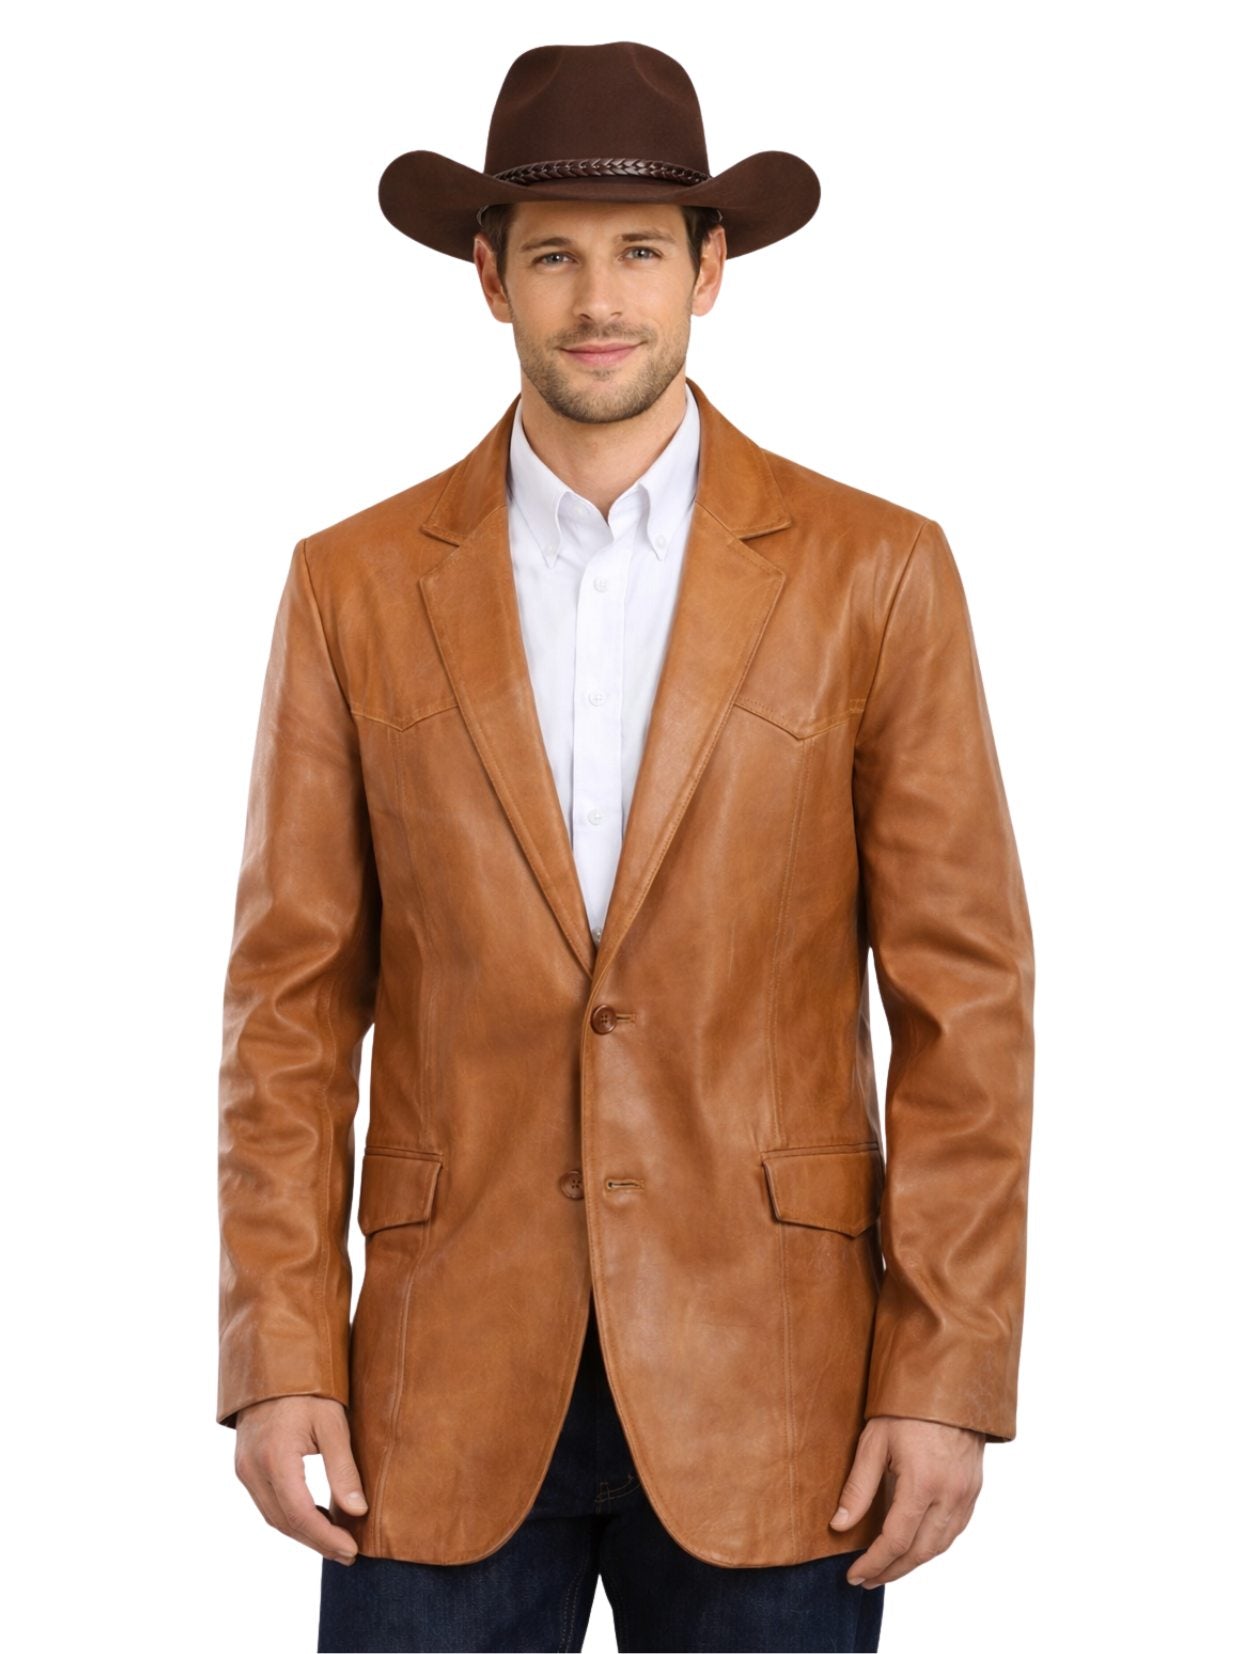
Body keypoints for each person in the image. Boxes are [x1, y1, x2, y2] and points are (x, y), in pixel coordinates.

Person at [216, 39, 1035, 1654]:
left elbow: (968, 1005)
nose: (602, 297)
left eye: (645, 250)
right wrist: (280, 1344)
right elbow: (289, 1004)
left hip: (779, 1374)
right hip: (436, 1386)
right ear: (489, 278)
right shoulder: (354, 584)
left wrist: (948, 1369)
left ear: (711, 271)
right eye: (557, 255)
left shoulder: (877, 573)